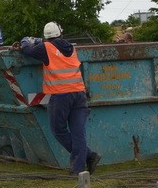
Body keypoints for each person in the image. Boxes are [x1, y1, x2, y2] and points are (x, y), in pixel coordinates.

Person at [16, 21, 100, 175]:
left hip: (61, 95)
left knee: (58, 130)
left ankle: (88, 157)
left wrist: (25, 40)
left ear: (46, 37)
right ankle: (79, 168)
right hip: (79, 93)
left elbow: (27, 50)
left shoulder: (45, 48)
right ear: (61, 33)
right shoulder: (71, 47)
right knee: (78, 133)